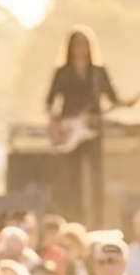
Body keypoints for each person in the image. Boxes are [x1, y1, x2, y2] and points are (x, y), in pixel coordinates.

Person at [44, 26, 124, 227]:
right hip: (70, 132)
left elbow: (113, 98)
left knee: (97, 178)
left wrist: (127, 102)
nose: (80, 49)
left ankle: (98, 222)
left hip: (93, 131)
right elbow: (49, 102)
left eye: (84, 44)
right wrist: (57, 124)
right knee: (72, 179)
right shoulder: (62, 73)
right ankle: (74, 221)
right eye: (76, 44)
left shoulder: (98, 72)